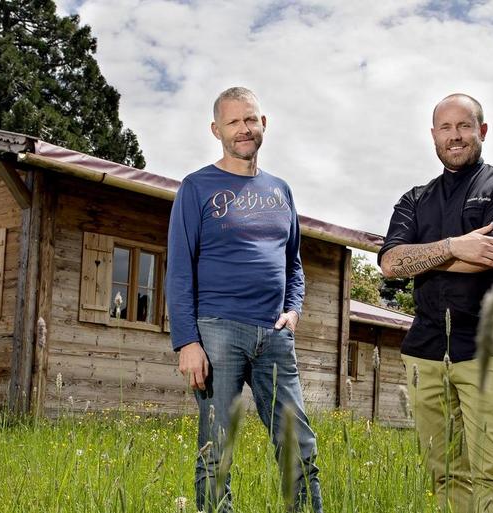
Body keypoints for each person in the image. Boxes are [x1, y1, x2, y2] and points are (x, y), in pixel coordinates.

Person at [166, 87, 322, 513]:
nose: (244, 129)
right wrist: (187, 341)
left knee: (298, 446)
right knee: (217, 451)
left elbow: (294, 263)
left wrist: (293, 311)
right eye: (234, 122)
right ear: (217, 129)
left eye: (250, 120)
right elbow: (179, 270)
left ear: (264, 124)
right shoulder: (196, 188)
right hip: (217, 332)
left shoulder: (280, 191)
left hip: (274, 334)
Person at [378, 93, 493, 512]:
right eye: (445, 128)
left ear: (482, 130)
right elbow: (392, 263)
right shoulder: (414, 199)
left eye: (464, 126)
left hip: (489, 352)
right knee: (444, 474)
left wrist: (424, 259)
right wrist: (456, 246)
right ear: (433, 136)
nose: (455, 136)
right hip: (425, 353)